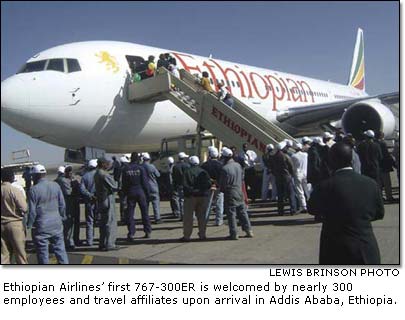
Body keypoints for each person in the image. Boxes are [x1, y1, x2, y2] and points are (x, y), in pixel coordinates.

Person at [308, 142, 384, 264]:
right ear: (351, 159)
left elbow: (312, 209)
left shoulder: (324, 186)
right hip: (365, 247)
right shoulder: (370, 183)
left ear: (331, 161)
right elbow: (379, 213)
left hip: (335, 250)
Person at [27, 165, 68, 264]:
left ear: (36, 176)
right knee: (60, 250)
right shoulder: (55, 185)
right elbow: (62, 204)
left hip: (42, 225)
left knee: (43, 253)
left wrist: (30, 225)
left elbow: (32, 212)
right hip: (56, 223)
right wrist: (62, 217)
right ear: (44, 174)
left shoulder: (33, 190)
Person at [218, 148, 253, 240]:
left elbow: (223, 184)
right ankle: (248, 230)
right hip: (239, 190)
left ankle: (234, 233)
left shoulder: (225, 168)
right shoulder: (238, 165)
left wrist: (221, 189)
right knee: (242, 211)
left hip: (230, 192)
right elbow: (242, 178)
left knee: (231, 214)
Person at [121, 152, 151, 240]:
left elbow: (124, 183)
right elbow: (145, 182)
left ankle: (131, 232)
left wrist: (125, 193)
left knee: (130, 213)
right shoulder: (141, 168)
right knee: (144, 212)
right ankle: (147, 231)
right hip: (140, 191)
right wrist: (147, 193)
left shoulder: (126, 169)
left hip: (130, 192)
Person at [181, 156, 212, 241]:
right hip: (202, 196)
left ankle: (187, 236)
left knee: (188, 217)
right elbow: (209, 184)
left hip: (190, 197)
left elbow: (185, 185)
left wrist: (192, 191)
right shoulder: (203, 172)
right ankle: (202, 234)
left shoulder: (187, 172)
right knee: (202, 217)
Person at [1, 168, 28, 264]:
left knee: (4, 255)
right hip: (14, 224)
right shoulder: (14, 190)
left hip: (2, 224)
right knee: (20, 254)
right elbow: (24, 208)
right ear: (11, 177)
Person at [94, 157, 120, 251]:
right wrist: (118, 178)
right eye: (107, 163)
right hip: (107, 199)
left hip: (101, 199)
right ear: (103, 164)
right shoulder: (104, 174)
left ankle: (102, 243)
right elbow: (115, 185)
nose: (109, 165)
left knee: (103, 223)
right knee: (110, 222)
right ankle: (110, 244)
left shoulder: (97, 173)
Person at [55, 165, 81, 250]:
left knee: (72, 223)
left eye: (71, 171)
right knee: (68, 223)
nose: (70, 173)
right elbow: (69, 192)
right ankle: (69, 242)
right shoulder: (63, 181)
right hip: (68, 205)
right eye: (68, 171)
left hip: (71, 204)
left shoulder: (63, 180)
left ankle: (72, 240)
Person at [201, 147, 224, 226]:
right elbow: (222, 177)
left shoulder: (204, 165)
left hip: (208, 187)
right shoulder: (221, 165)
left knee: (207, 205)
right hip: (218, 187)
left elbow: (203, 177)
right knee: (219, 205)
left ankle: (205, 220)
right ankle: (219, 220)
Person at [273, 142, 297, 215]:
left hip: (278, 177)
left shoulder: (274, 156)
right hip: (286, 176)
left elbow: (272, 167)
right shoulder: (285, 156)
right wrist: (292, 174)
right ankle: (293, 210)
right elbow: (291, 166)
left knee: (280, 195)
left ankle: (280, 211)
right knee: (290, 193)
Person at [80, 159, 98, 246]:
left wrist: (90, 195)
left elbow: (82, 190)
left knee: (90, 221)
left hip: (89, 202)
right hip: (100, 201)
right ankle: (103, 240)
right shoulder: (100, 175)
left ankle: (89, 241)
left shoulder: (85, 176)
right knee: (102, 221)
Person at [141, 152, 162, 224]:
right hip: (153, 187)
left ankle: (145, 218)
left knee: (145, 204)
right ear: (149, 159)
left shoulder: (140, 167)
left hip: (144, 188)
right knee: (155, 203)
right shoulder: (152, 166)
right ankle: (157, 218)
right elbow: (158, 175)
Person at [376, 131, 395, 201]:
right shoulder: (382, 144)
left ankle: (381, 197)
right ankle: (389, 196)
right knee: (387, 183)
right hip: (384, 166)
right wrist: (393, 163)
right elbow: (386, 155)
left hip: (377, 166)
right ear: (381, 136)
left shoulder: (375, 143)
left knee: (379, 184)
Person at [172, 152, 190, 221]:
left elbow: (173, 177)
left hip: (179, 185)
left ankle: (183, 216)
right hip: (187, 185)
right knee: (188, 200)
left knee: (181, 201)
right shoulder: (187, 165)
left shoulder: (175, 166)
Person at [291, 143, 309, 213]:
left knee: (300, 191)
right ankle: (309, 202)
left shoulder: (293, 156)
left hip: (297, 174)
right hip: (305, 173)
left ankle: (304, 206)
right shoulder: (305, 155)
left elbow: (292, 166)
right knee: (307, 189)